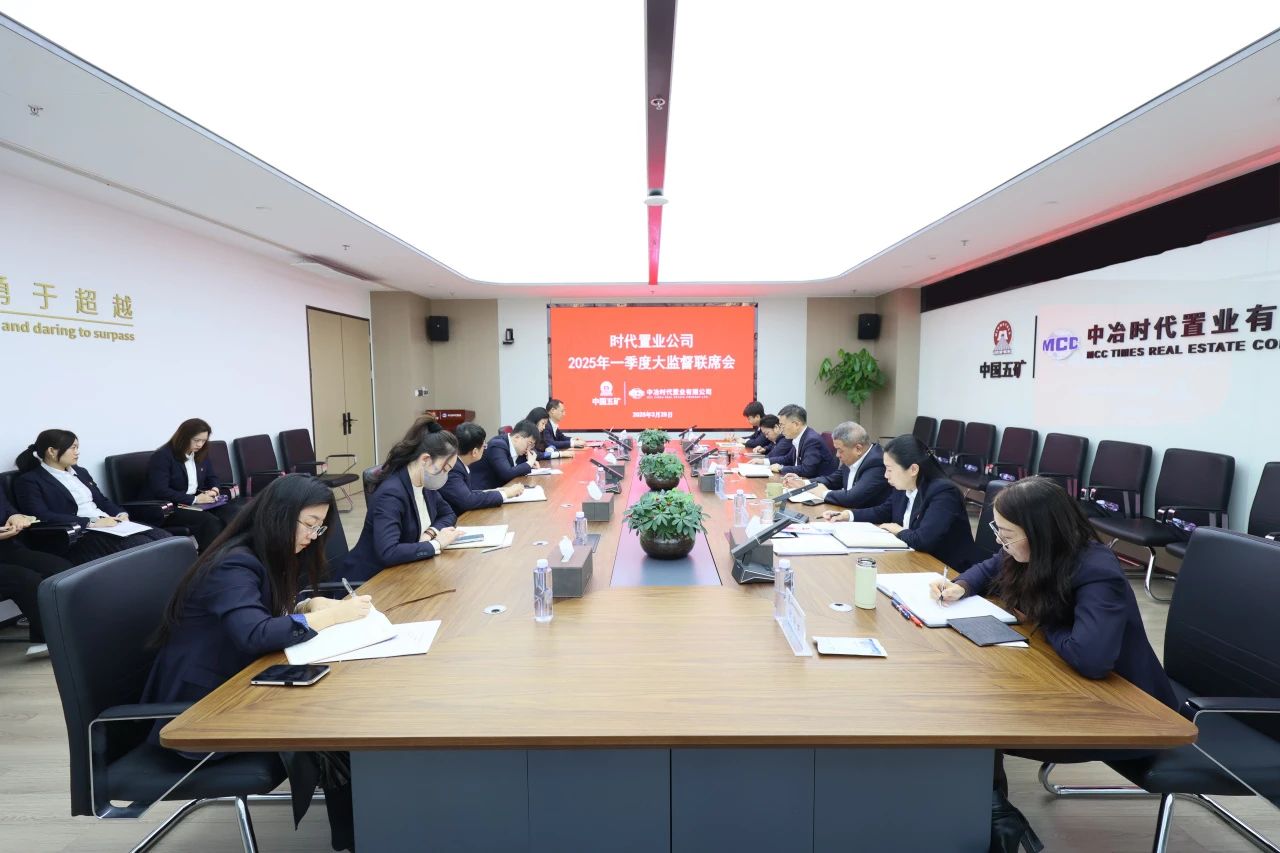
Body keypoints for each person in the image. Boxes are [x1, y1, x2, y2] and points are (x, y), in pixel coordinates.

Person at [930, 476, 1177, 853]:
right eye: (998, 531)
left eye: (1007, 534)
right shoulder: (1034, 552)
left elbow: (1092, 659)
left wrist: (1042, 621)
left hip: (1124, 711)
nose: (1001, 542)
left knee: (981, 725)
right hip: (1076, 687)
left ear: (1040, 532)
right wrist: (961, 586)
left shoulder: (1096, 570)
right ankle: (995, 814)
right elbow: (991, 566)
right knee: (973, 708)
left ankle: (996, 822)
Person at [143, 474, 368, 851]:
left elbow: (260, 611)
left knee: (339, 701)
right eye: (310, 525)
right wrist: (330, 617)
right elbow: (254, 633)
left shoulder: (262, 552)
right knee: (335, 717)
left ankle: (360, 825)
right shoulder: (233, 563)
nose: (313, 536)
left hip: (237, 680)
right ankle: (359, 833)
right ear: (280, 515)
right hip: (202, 710)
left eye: (319, 527)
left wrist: (306, 605)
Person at [820, 434, 983, 572]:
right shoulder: (904, 486)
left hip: (946, 571)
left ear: (913, 469)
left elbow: (923, 540)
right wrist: (847, 515)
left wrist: (897, 530)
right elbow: (883, 511)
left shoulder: (944, 493)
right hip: (913, 560)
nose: (886, 475)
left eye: (890, 469)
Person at [14, 429, 170, 565]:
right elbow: (40, 515)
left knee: (165, 538)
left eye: (77, 447)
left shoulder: (80, 472)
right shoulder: (30, 480)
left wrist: (120, 513)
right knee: (143, 546)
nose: (77, 452)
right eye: (73, 447)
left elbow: (101, 500)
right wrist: (92, 522)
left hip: (109, 523)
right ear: (51, 451)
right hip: (80, 533)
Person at [340, 421, 461, 583]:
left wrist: (430, 533)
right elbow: (388, 552)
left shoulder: (425, 484)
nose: (445, 475)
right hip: (372, 580)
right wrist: (436, 544)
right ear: (425, 460)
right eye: (444, 469)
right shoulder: (391, 493)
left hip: (405, 570)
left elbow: (448, 514)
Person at [0, 489, 72, 657]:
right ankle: (54, 640)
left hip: (6, 548)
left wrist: (15, 517)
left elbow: (6, 508)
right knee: (25, 579)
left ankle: (71, 630)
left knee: (61, 569)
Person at [143, 418, 233, 551]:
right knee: (210, 522)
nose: (200, 444)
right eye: (196, 440)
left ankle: (233, 553)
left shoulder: (200, 453)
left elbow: (212, 477)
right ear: (184, 437)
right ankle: (208, 560)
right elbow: (160, 490)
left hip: (194, 502)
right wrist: (195, 499)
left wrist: (214, 490)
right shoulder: (163, 456)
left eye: (204, 440)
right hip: (169, 507)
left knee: (233, 513)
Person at [782, 421, 889, 509]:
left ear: (858, 449)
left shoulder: (877, 462)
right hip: (848, 513)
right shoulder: (853, 458)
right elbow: (832, 480)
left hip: (871, 522)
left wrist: (824, 493)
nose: (837, 455)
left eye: (840, 450)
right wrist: (803, 483)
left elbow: (853, 498)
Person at [439, 422, 525, 514]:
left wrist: (499, 491)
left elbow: (468, 493)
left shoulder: (459, 463)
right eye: (484, 446)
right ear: (475, 452)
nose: (485, 449)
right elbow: (468, 500)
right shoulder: (452, 468)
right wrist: (506, 494)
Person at [769, 404, 837, 478]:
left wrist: (781, 468)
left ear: (796, 424)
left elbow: (807, 470)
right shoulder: (799, 437)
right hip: (800, 479)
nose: (781, 430)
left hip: (816, 482)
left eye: (782, 425)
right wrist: (765, 461)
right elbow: (787, 458)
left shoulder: (812, 440)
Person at [471, 420, 540, 490]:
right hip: (482, 491)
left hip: (501, 488)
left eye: (532, 445)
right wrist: (529, 463)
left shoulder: (518, 449)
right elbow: (507, 474)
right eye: (529, 443)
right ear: (517, 437)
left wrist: (530, 464)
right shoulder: (497, 445)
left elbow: (517, 468)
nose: (529, 448)